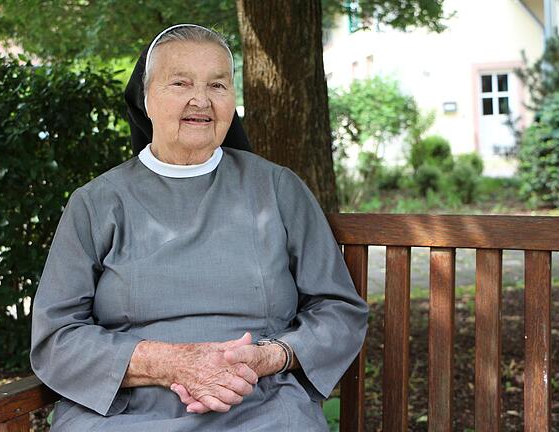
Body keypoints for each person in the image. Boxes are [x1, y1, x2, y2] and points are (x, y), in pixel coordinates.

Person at [30, 24, 368, 431]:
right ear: (146, 98)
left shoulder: (277, 188)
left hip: (258, 402)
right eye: (180, 82)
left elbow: (338, 311)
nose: (201, 99)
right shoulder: (98, 202)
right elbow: (57, 337)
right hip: (130, 410)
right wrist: (167, 363)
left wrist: (272, 356)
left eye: (218, 85)